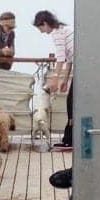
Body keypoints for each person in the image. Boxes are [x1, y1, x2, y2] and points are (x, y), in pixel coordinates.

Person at [33, 10, 74, 149]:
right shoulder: (63, 29)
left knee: (71, 103)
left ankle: (70, 140)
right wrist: (65, 79)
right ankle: (69, 139)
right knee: (72, 102)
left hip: (84, 66)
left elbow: (61, 57)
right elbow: (69, 58)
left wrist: (56, 79)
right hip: (83, 65)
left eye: (40, 28)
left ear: (45, 23)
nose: (41, 31)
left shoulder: (57, 33)